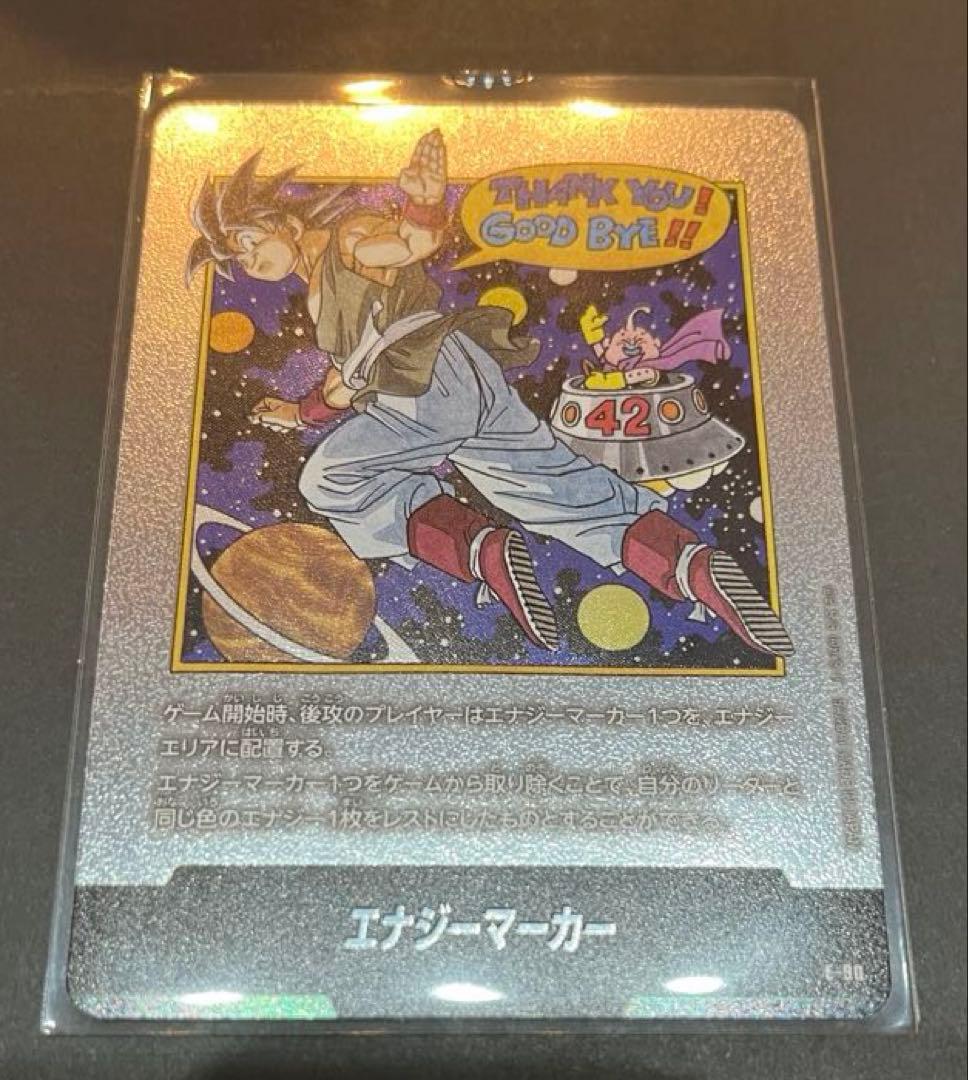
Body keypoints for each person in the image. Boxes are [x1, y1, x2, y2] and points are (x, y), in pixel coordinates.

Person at [187, 131, 792, 658]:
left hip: (423, 385)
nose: (248, 259)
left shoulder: (347, 240)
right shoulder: (321, 283)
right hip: (463, 374)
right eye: (237, 257)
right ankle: (690, 565)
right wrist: (301, 412)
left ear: (284, 221)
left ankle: (478, 549)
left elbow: (406, 245)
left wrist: (425, 205)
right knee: (551, 488)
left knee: (330, 480)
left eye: (248, 239)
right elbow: (346, 383)